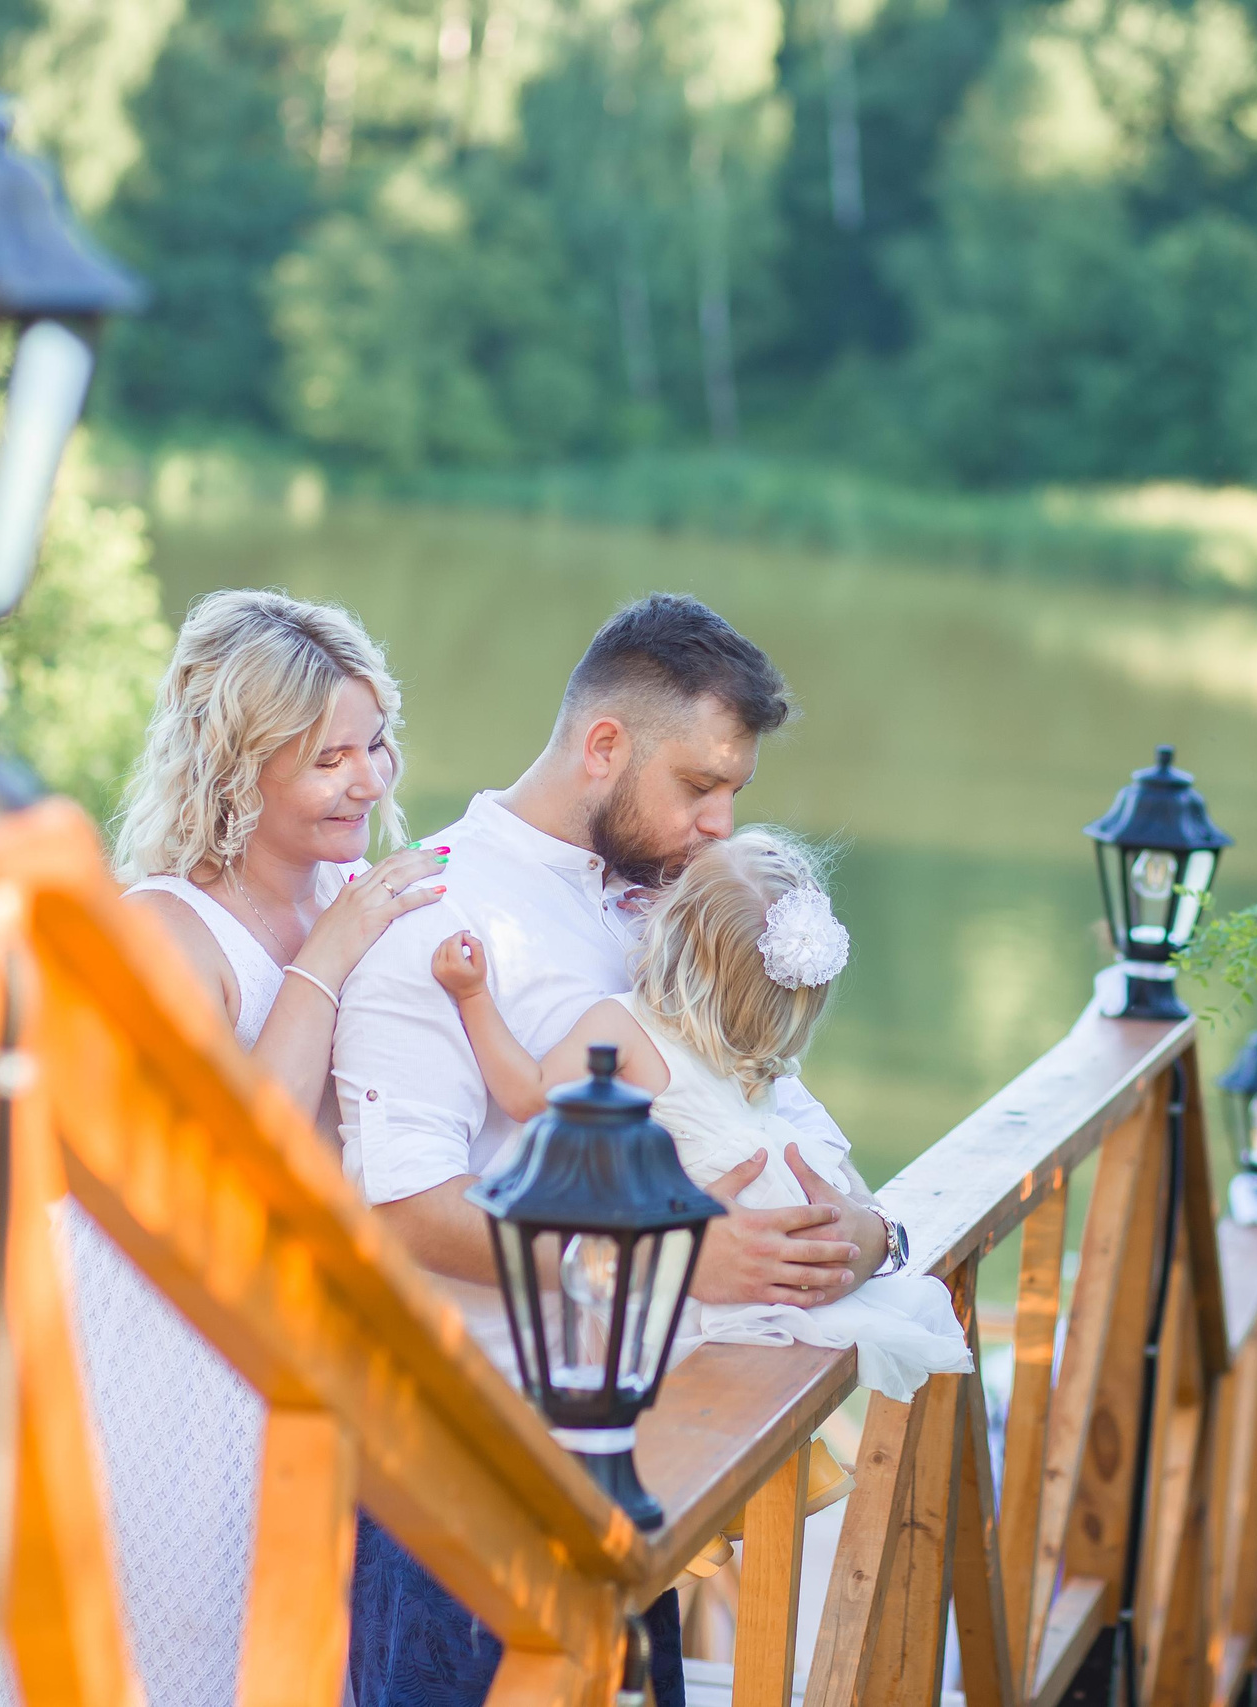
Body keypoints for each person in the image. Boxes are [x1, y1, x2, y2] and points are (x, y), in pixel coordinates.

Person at [332, 594, 914, 1706]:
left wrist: (864, 1233)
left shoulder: (675, 909)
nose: (721, 823)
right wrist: (674, 1261)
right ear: (604, 745)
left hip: (644, 1481)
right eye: (699, 786)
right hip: (469, 1478)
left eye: (735, 792)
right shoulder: (437, 914)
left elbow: (775, 1112)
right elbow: (402, 1212)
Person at [56, 588, 447, 1707]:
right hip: (174, 1354)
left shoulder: (354, 895)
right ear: (239, 771)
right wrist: (330, 954)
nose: (369, 780)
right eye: (330, 760)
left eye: (375, 744)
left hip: (317, 1348)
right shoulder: (165, 932)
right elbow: (229, 1181)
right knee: (177, 1650)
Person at [431, 826, 968, 1402]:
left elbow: (527, 1096)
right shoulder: (753, 1059)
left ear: (670, 930)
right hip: (781, 1248)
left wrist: (473, 996)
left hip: (698, 1291)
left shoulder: (625, 1026)